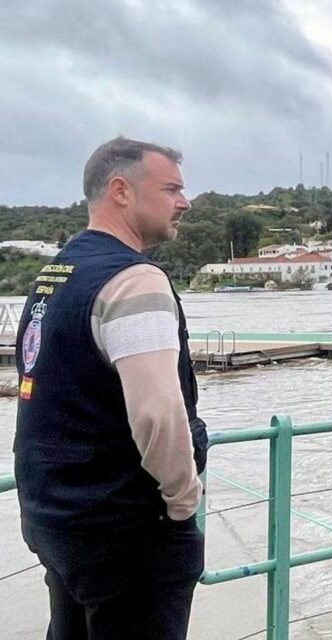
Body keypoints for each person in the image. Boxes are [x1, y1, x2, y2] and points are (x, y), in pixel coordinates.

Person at [14, 136, 207, 639]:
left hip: (57, 519)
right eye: (171, 189)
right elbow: (158, 413)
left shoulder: (55, 273)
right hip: (127, 532)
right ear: (121, 190)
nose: (184, 202)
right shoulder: (133, 280)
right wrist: (184, 503)